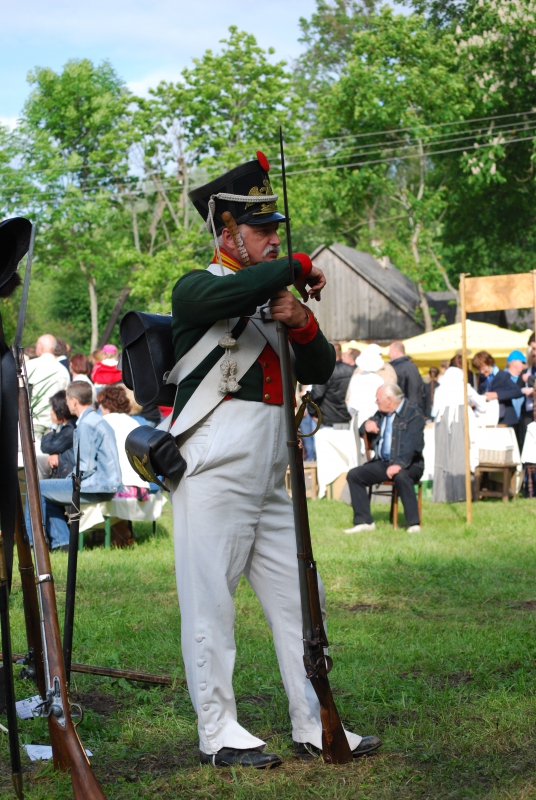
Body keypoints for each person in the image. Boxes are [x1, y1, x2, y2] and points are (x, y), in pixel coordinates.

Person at [165, 154, 380, 768]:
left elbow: (317, 370)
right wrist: (293, 269)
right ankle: (218, 729)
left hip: (267, 472)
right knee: (210, 602)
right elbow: (229, 293)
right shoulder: (199, 287)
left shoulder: (270, 292)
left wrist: (302, 322)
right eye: (261, 230)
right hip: (213, 462)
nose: (274, 239)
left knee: (299, 600)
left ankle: (313, 722)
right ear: (227, 234)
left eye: (276, 231)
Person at [30, 381, 121, 551]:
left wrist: (66, 480)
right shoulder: (94, 419)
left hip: (96, 486)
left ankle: (32, 544)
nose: (66, 404)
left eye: (66, 399)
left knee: (35, 488)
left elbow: (85, 467)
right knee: (46, 490)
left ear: (73, 401)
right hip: (105, 484)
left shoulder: (86, 424)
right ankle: (62, 543)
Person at [344, 383, 424, 533]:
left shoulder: (414, 414)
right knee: (354, 475)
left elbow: (413, 445)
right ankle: (364, 522)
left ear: (389, 399)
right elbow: (363, 428)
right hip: (384, 462)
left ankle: (413, 524)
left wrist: (399, 464)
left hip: (410, 464)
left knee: (401, 476)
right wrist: (366, 425)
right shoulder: (381, 413)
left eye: (378, 398)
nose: (376, 401)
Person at [431, 365, 487, 502]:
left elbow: (433, 412)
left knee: (442, 457)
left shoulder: (440, 389)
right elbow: (482, 405)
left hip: (441, 422)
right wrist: (474, 413)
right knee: (460, 456)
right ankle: (461, 493)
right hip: (460, 420)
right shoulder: (464, 387)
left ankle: (442, 495)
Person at [97, 385, 150, 500]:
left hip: (119, 489)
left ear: (106, 404)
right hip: (141, 490)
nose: (99, 406)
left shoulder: (102, 423)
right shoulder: (134, 423)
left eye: (100, 403)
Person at [26, 334, 70, 437]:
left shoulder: (30, 366)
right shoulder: (63, 370)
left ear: (40, 346)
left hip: (33, 420)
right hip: (55, 421)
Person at [485, 350, 533, 445]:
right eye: (522, 362)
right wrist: (523, 391)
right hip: (506, 421)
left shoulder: (522, 377)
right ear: (514, 362)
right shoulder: (502, 376)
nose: (525, 365)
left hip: (520, 420)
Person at [310, 341, 354, 429]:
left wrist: (312, 412)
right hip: (347, 419)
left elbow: (316, 395)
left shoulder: (325, 372)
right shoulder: (352, 370)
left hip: (328, 421)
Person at [39, 390, 76, 479]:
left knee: (37, 489)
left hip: (70, 480)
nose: (51, 412)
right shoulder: (71, 425)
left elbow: (46, 447)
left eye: (53, 408)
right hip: (70, 477)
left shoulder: (71, 429)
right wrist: (56, 453)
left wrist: (53, 425)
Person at [388, 340, 425, 412]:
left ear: (395, 351)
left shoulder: (395, 368)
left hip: (403, 410)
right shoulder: (413, 366)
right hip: (416, 408)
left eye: (390, 351)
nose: (389, 354)